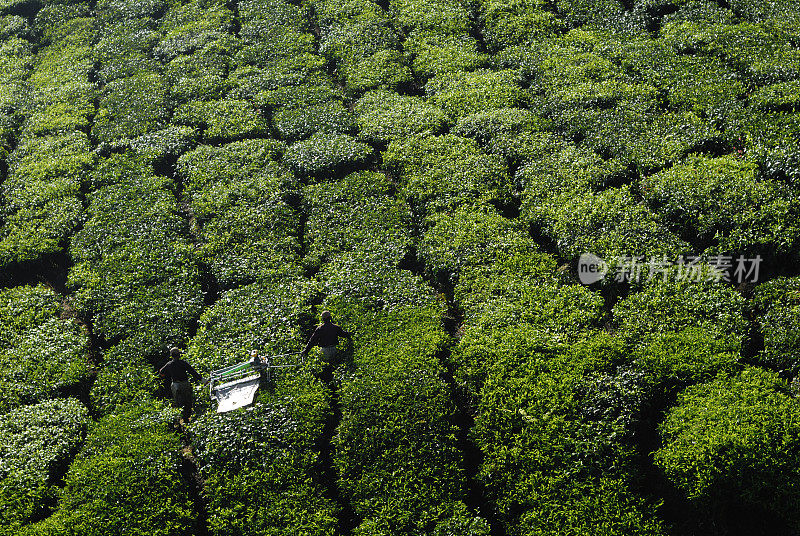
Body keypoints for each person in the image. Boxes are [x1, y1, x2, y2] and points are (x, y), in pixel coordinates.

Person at [159, 348, 206, 422]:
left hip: (175, 385)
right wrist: (203, 380)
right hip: (184, 383)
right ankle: (187, 418)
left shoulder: (169, 364)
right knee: (187, 401)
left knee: (179, 403)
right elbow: (193, 372)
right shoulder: (183, 363)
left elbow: (161, 372)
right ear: (179, 355)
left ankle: (182, 419)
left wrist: (169, 374)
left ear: (172, 356)